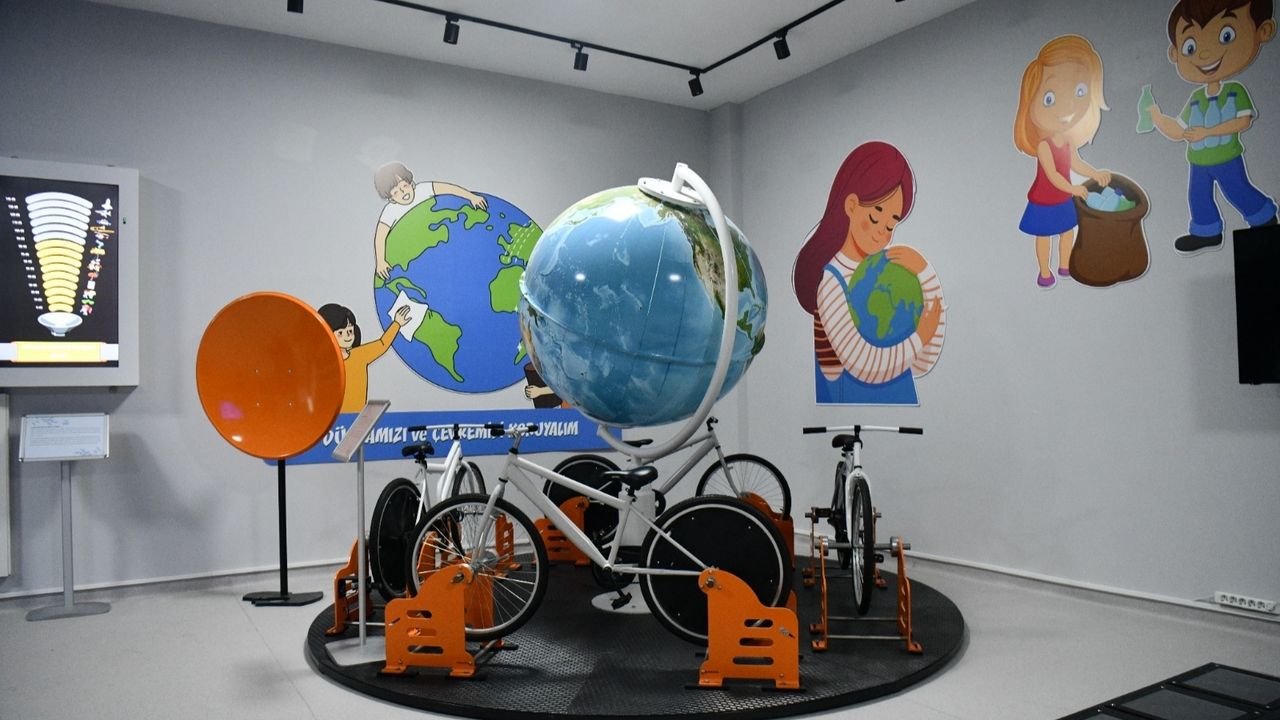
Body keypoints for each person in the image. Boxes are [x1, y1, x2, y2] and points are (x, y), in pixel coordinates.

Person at [792, 141, 945, 405]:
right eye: (875, 217)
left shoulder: (892, 274)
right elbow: (862, 364)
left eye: (891, 225)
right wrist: (920, 337)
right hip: (851, 410)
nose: (881, 232)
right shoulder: (831, 283)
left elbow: (922, 364)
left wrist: (925, 275)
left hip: (900, 409)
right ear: (851, 205)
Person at [1146, 0, 1277, 255]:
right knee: (1197, 196)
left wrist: (1207, 133)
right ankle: (1206, 232)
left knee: (1236, 190)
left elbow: (1243, 121)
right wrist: (1157, 117)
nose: (1204, 54)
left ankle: (1264, 219)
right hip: (1199, 161)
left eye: (1226, 35)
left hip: (1226, 157)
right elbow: (1180, 130)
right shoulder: (1196, 98)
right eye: (1191, 47)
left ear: (1263, 31)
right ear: (1175, 54)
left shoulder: (1234, 91)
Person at [1013, 34, 1113, 288]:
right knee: (1044, 234)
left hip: (1063, 197)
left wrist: (1094, 173)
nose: (1065, 108)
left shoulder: (1067, 142)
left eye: (1078, 92)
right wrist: (1073, 188)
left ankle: (1065, 265)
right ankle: (1044, 271)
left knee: (1067, 231)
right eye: (1049, 99)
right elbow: (1053, 175)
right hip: (1045, 198)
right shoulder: (1044, 146)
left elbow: (1075, 164)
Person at [372, 162, 488, 280]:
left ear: (411, 183)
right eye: (396, 192)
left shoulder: (423, 189)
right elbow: (380, 236)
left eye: (404, 186)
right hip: (418, 249)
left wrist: (471, 197)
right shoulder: (390, 211)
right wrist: (380, 262)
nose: (403, 193)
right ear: (391, 198)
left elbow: (448, 188)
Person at [318, 302, 411, 413]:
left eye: (350, 331)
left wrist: (397, 323)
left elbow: (382, 344)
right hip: (334, 419)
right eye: (340, 333)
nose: (348, 336)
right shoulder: (323, 364)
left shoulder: (360, 355)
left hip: (358, 416)